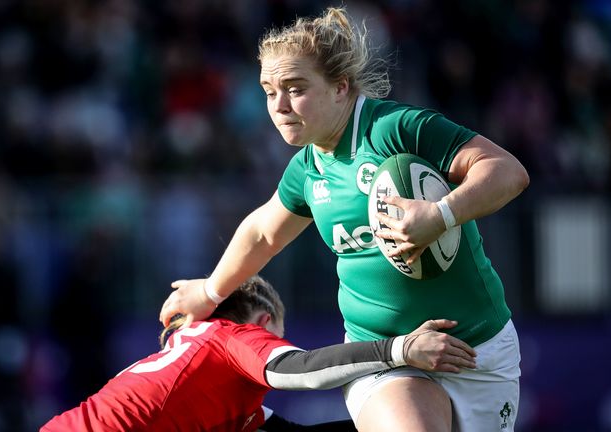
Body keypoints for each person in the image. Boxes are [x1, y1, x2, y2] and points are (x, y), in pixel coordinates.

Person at [159, 6, 529, 432]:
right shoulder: (308, 168)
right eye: (268, 90)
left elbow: (507, 171)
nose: (278, 106)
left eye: (294, 88)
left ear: (340, 87)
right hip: (386, 358)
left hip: (479, 351)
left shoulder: (397, 128)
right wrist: (208, 292)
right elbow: (263, 232)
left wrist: (441, 215)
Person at [42, 276, 476, 431]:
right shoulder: (233, 337)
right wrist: (400, 349)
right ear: (266, 320)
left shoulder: (198, 350)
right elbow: (302, 370)